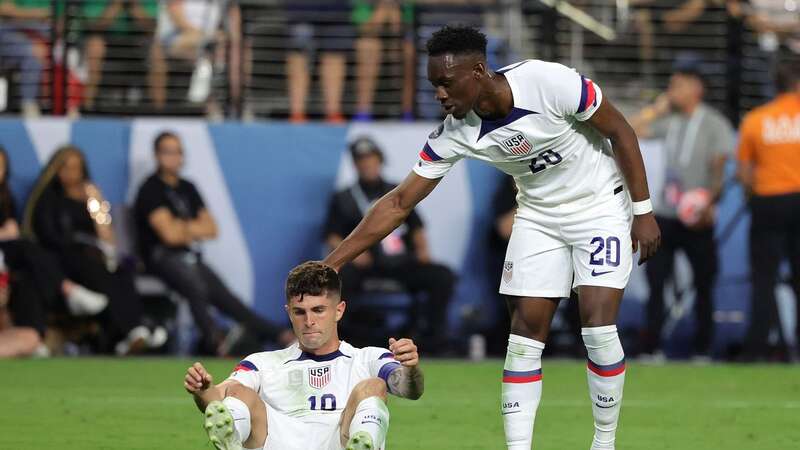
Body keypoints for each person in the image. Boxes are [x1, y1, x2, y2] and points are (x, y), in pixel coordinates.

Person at [323, 25, 661, 450]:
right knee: (523, 339)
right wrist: (332, 263)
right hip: (538, 217)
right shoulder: (454, 132)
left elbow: (621, 131)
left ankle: (604, 443)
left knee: (596, 326)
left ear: (479, 71)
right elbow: (398, 203)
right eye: (434, 86)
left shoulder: (548, 82)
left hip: (600, 208)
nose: (440, 95)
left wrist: (642, 211)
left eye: (446, 83)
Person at [183, 261, 423, 450]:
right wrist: (202, 391)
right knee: (237, 393)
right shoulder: (261, 363)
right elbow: (216, 401)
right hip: (279, 443)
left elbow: (410, 389)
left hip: (341, 441)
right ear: (289, 312)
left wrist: (411, 368)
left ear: (338, 310)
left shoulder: (369, 358)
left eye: (318, 310)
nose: (309, 321)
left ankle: (363, 444)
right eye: (300, 312)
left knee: (373, 386)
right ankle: (231, 441)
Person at [134, 131, 288, 356]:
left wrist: (180, 226)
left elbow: (211, 229)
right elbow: (169, 236)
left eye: (177, 151)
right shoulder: (149, 189)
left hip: (189, 257)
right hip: (161, 257)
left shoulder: (188, 187)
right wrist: (191, 227)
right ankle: (216, 342)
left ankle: (280, 335)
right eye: (168, 151)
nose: (173, 157)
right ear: (157, 155)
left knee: (228, 299)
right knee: (194, 286)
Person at [631, 53, 735, 360]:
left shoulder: (714, 123)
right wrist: (657, 108)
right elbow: (629, 129)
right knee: (656, 281)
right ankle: (652, 348)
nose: (671, 90)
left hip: (698, 216)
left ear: (696, 89)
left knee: (704, 283)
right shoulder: (669, 121)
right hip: (665, 213)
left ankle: (703, 347)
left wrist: (709, 202)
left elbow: (718, 170)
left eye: (677, 85)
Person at [23, 145, 165, 355]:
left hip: (92, 254)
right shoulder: (48, 197)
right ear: (56, 169)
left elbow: (106, 237)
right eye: (67, 167)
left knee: (121, 273)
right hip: (63, 256)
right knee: (98, 274)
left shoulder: (89, 198)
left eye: (77, 168)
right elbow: (46, 235)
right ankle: (128, 331)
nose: (72, 173)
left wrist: (95, 203)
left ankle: (135, 330)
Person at [325, 136, 455, 351]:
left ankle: (434, 337)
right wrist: (352, 254)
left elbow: (416, 226)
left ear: (380, 160)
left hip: (401, 262)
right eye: (361, 160)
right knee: (340, 278)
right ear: (355, 164)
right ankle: (343, 337)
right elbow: (331, 234)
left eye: (371, 158)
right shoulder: (344, 198)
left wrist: (423, 251)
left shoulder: (398, 190)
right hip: (366, 264)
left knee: (442, 276)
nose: (367, 164)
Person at [736, 59, 800, 361]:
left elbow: (745, 172)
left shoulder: (756, 120)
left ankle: (758, 347)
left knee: (763, 278)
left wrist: (753, 197)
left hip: (768, 201)